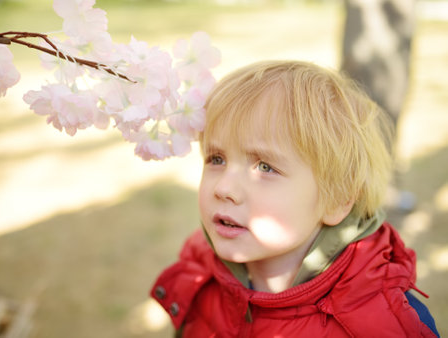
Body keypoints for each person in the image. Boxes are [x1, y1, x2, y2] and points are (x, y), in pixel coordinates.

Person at [150, 61, 439, 337]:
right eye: (216, 158)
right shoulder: (201, 280)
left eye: (265, 167)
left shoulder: (387, 324)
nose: (224, 187)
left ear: (337, 199)